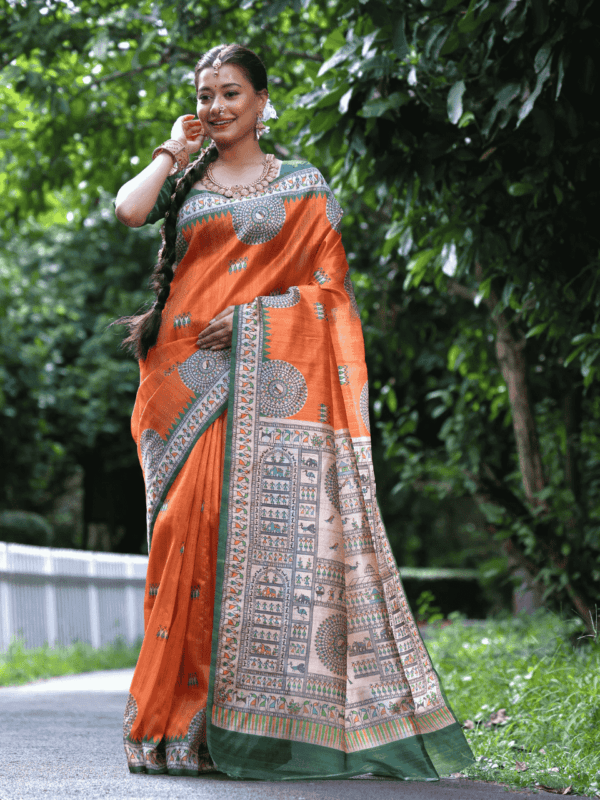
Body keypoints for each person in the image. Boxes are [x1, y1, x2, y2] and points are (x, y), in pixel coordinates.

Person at [114, 43, 473, 781]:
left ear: (264, 100)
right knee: (184, 533)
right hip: (180, 388)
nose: (216, 107)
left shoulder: (304, 187)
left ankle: (226, 729)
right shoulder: (186, 181)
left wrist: (258, 322)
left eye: (231, 93)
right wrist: (171, 150)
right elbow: (128, 210)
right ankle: (168, 726)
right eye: (205, 95)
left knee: (244, 545)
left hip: (266, 381)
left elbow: (333, 298)